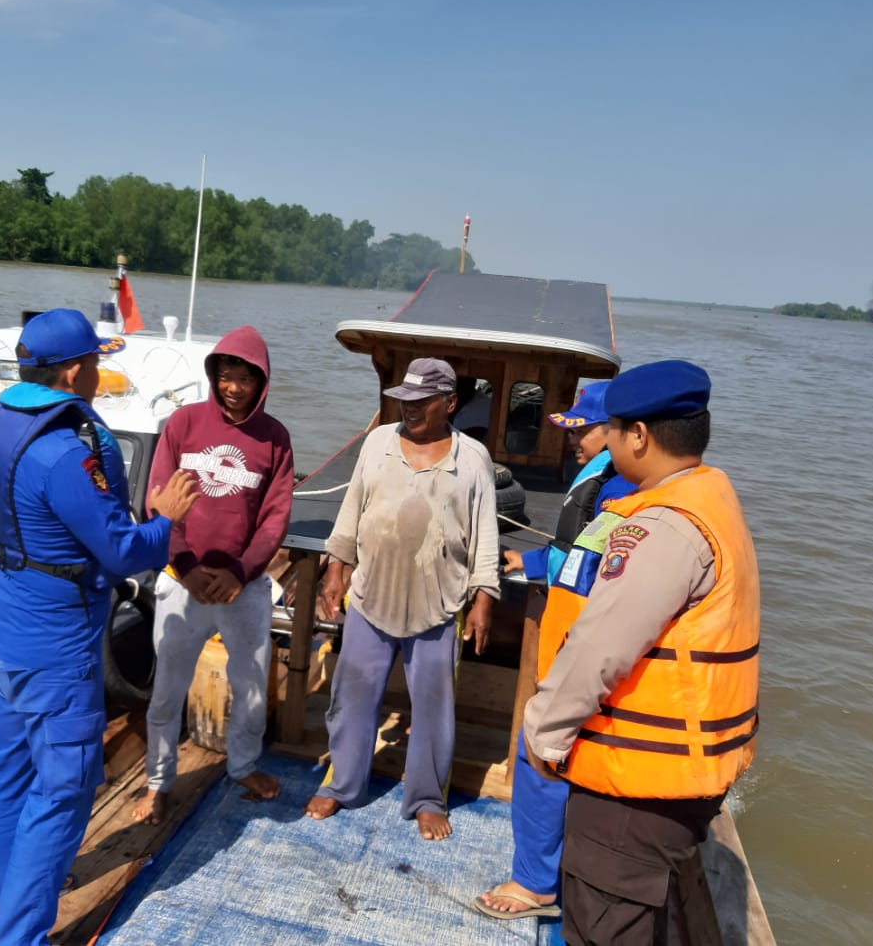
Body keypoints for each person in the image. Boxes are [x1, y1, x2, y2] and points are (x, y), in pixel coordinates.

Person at [0, 308, 198, 946]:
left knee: (9, 767)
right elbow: (124, 552)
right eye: (97, 363)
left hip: (9, 638)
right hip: (58, 652)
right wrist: (167, 517)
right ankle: (17, 937)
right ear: (73, 372)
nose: (100, 373)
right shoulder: (65, 455)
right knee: (63, 792)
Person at [521, 359, 760, 945]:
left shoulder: (663, 527)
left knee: (602, 924)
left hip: (636, 786)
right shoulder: (714, 501)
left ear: (638, 436)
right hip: (685, 779)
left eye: (613, 427)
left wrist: (542, 736)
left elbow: (600, 647)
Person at [303, 358, 500, 840]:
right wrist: (336, 564)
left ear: (449, 403)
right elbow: (352, 508)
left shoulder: (472, 458)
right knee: (352, 697)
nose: (408, 408)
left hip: (438, 605)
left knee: (434, 708)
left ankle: (428, 797)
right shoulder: (378, 442)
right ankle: (343, 784)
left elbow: (486, 536)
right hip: (371, 598)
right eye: (404, 400)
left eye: (421, 401)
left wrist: (484, 596)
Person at [475, 380, 636, 920]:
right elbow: (576, 550)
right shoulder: (595, 481)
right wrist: (533, 563)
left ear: (620, 433)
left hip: (584, 646)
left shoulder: (622, 491)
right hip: (566, 638)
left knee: (540, 752)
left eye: (584, 431)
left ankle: (538, 882)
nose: (573, 441)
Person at [131, 326, 294, 825]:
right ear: (214, 376)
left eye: (246, 379)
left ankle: (242, 765)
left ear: (261, 382)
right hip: (183, 582)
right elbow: (157, 499)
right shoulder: (182, 424)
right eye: (226, 376)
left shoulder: (275, 438)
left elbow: (275, 515)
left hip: (242, 586)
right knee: (167, 689)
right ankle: (158, 781)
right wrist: (184, 566)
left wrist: (242, 573)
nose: (235, 388)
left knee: (251, 687)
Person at [501, 381, 636, 586]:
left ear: (615, 431)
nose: (572, 440)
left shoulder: (619, 486)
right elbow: (572, 544)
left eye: (582, 432)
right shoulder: (600, 476)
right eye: (572, 432)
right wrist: (529, 561)